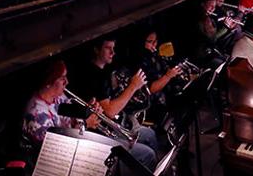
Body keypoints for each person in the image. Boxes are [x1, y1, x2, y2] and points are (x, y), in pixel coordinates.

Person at [70, 38, 159, 171]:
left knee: (150, 135)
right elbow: (111, 112)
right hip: (104, 132)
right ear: (96, 50)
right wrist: (133, 86)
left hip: (119, 124)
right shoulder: (93, 76)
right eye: (107, 48)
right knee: (148, 153)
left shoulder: (104, 71)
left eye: (113, 48)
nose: (112, 52)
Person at [21, 60, 98, 153]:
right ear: (48, 82)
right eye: (62, 78)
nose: (67, 82)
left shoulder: (58, 96)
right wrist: (85, 124)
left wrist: (86, 111)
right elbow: (56, 150)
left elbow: (72, 119)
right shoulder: (35, 115)